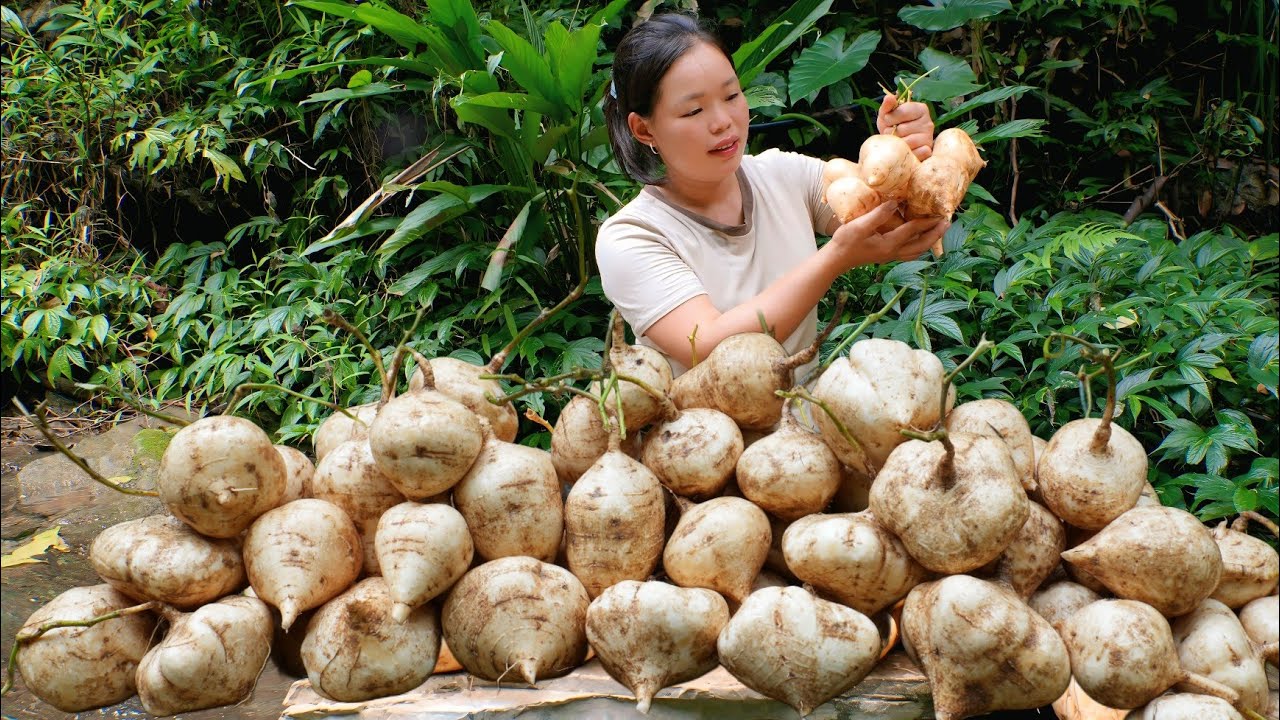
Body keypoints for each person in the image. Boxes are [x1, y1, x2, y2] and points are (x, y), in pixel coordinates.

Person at [596, 13, 950, 377]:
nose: (723, 121)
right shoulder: (631, 237)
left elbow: (902, 225)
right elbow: (711, 348)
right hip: (699, 433)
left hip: (811, 424)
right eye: (694, 110)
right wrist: (835, 259)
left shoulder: (783, 174)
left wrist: (905, 158)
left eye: (731, 95)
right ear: (643, 129)